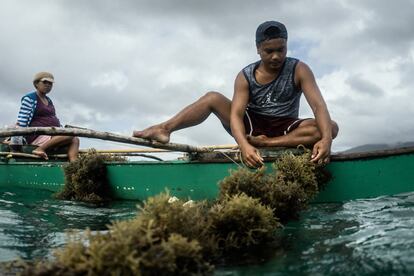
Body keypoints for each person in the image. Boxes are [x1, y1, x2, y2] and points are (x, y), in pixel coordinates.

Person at [133, 21, 338, 168]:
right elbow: (236, 116)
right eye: (269, 51)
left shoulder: (299, 69)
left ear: (286, 46)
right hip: (253, 126)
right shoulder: (245, 76)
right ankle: (164, 128)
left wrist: (326, 140)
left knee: (331, 127)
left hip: (286, 128)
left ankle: (267, 143)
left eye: (281, 49)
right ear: (258, 49)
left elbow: (319, 107)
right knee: (212, 97)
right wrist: (244, 146)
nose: (276, 56)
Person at [15, 72, 80, 161]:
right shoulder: (29, 98)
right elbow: (22, 119)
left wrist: (60, 128)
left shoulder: (49, 100)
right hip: (36, 135)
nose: (48, 85)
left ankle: (74, 164)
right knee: (70, 134)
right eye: (45, 82)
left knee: (75, 139)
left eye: (50, 83)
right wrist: (17, 137)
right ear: (36, 84)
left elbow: (52, 117)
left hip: (51, 134)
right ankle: (39, 149)